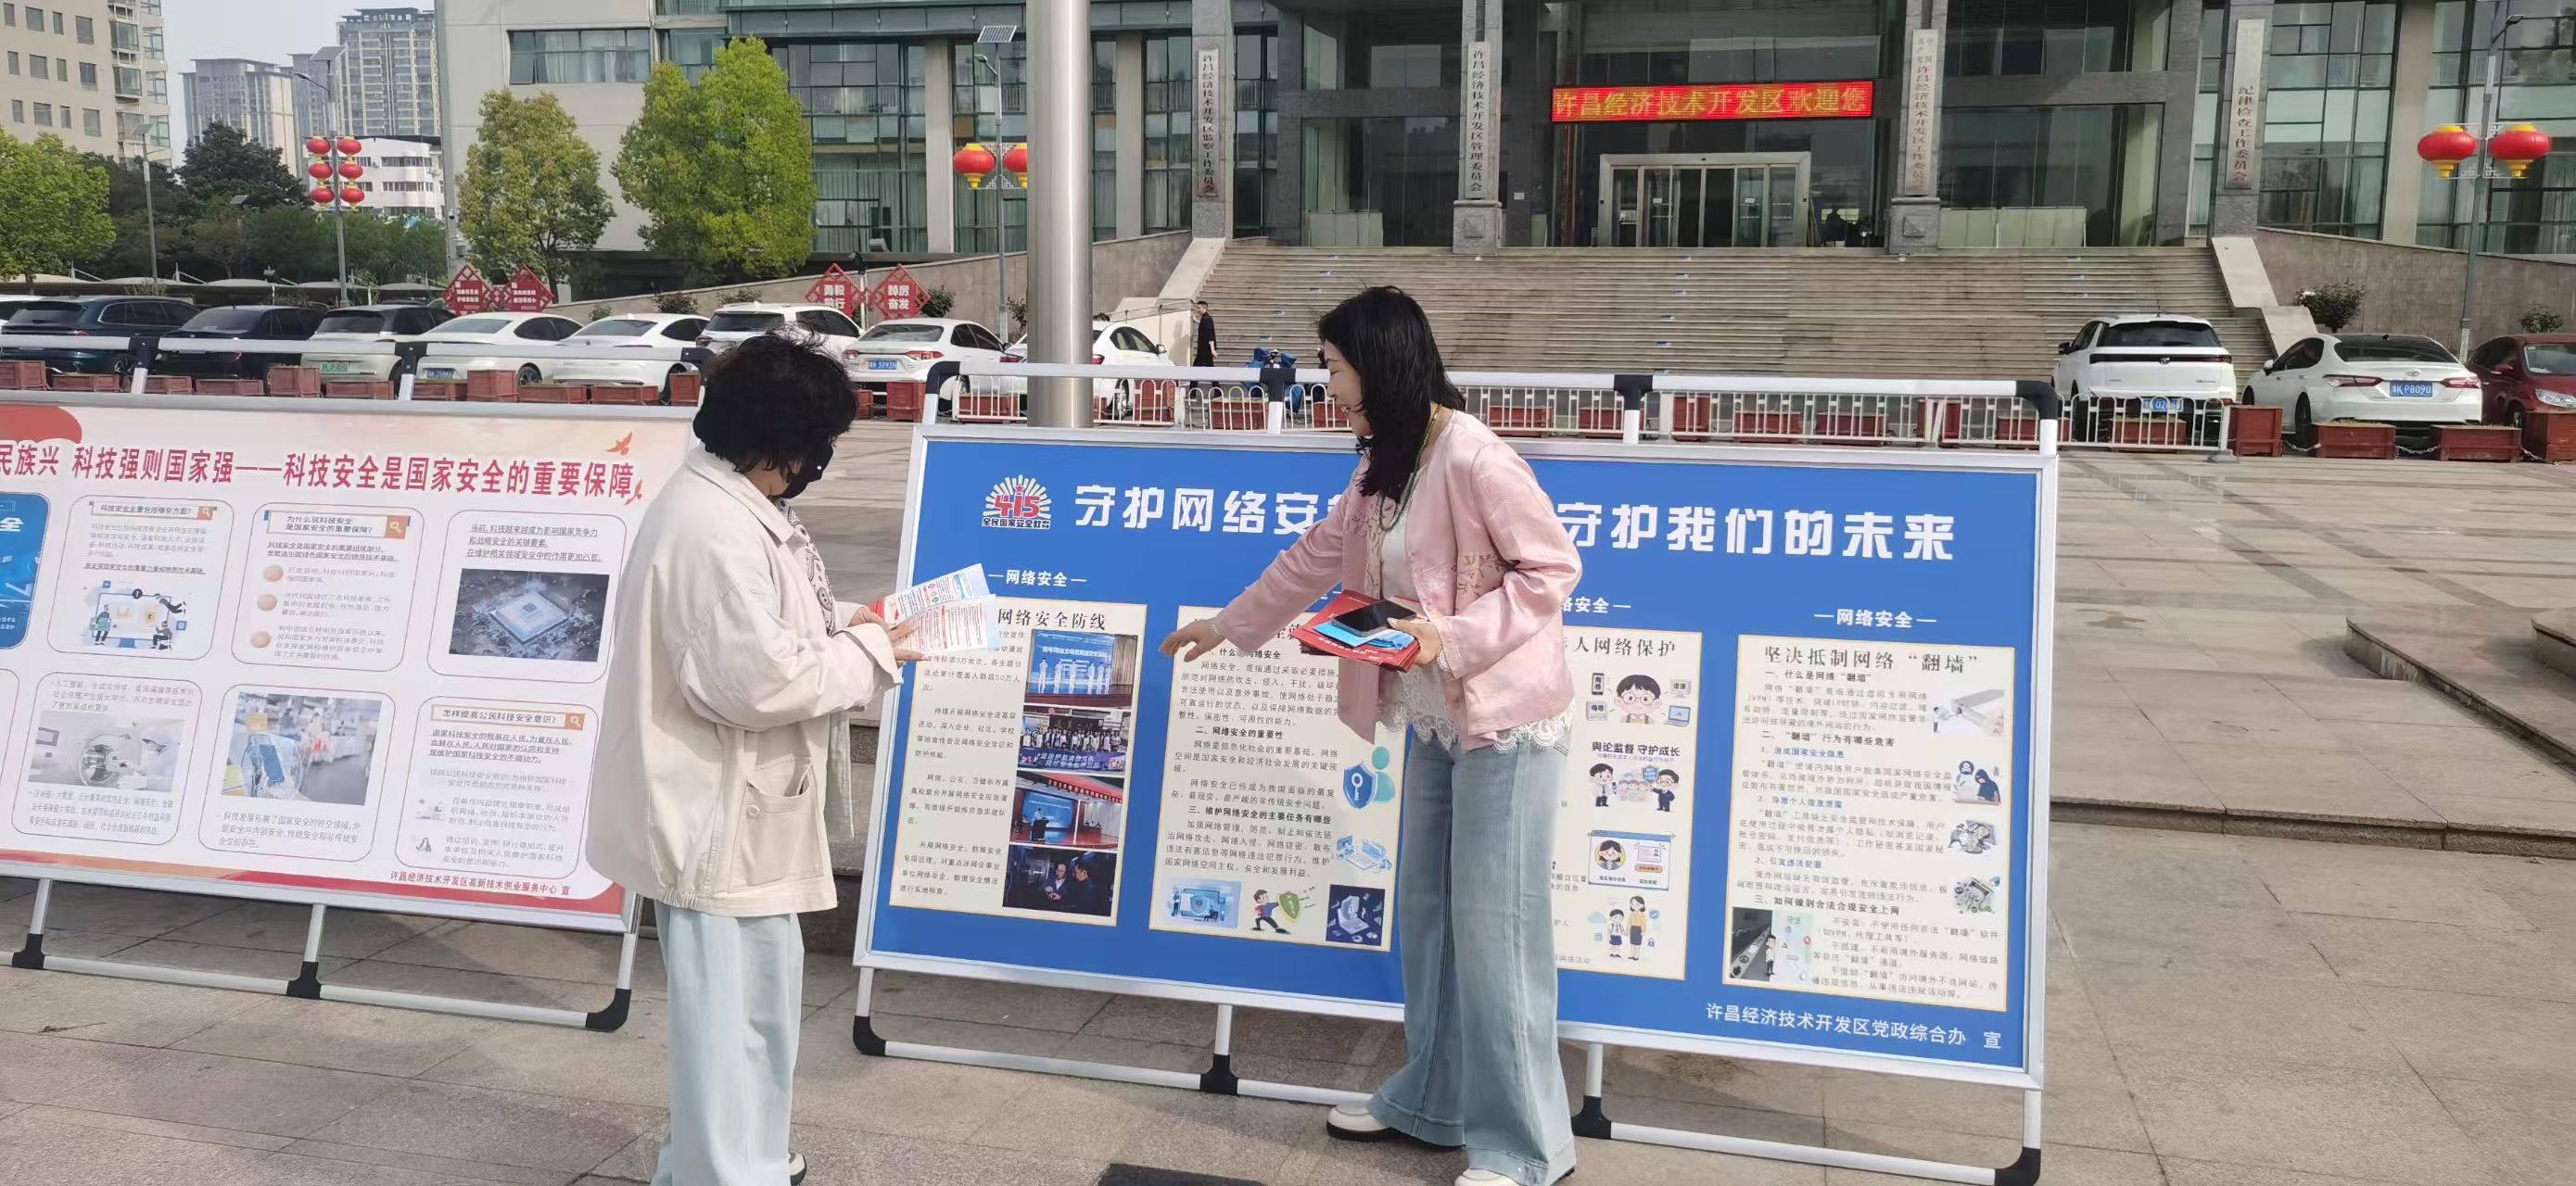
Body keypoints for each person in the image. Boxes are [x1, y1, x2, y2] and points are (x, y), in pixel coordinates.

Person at [1161, 286, 1581, 1186]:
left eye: (1334, 366)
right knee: (1429, 920)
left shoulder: (1474, 456)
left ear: (1378, 365)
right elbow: (1318, 554)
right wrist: (1229, 624)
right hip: (1436, 717)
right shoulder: (1384, 462)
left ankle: (1526, 1148)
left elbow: (1551, 569)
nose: (1327, 383)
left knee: (1497, 931)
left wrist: (1449, 637)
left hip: (1505, 723)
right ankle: (1432, 1101)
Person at [586, 332, 918, 1186]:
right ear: (780, 444)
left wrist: (853, 621)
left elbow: (766, 627)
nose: (815, 467)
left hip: (738, 807)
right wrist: (874, 652)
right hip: (714, 813)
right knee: (729, 1017)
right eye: (815, 448)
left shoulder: (728, 503)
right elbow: (756, 682)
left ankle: (746, 1157)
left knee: (755, 1006)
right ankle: (723, 1172)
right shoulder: (713, 530)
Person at [1192, 299, 1218, 368]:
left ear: (1204, 308)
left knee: (1198, 367)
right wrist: (1196, 320)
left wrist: (1212, 350)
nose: (1197, 310)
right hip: (1204, 349)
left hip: (1206, 350)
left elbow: (1210, 335)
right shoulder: (1205, 318)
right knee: (1207, 366)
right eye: (1197, 308)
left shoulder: (1206, 319)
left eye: (1199, 308)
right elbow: (1203, 325)